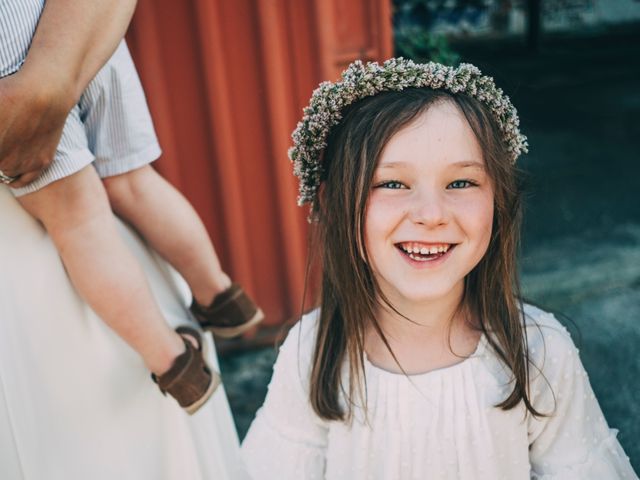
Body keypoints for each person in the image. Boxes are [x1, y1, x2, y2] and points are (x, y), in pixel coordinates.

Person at [241, 58, 638, 479]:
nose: (431, 214)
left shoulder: (540, 352)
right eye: (392, 183)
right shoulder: (312, 353)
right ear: (332, 203)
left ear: (499, 201)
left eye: (460, 183)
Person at [0, 0, 263, 414]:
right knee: (134, 181)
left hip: (9, 66)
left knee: (79, 222)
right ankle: (222, 297)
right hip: (72, 30)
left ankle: (178, 367)